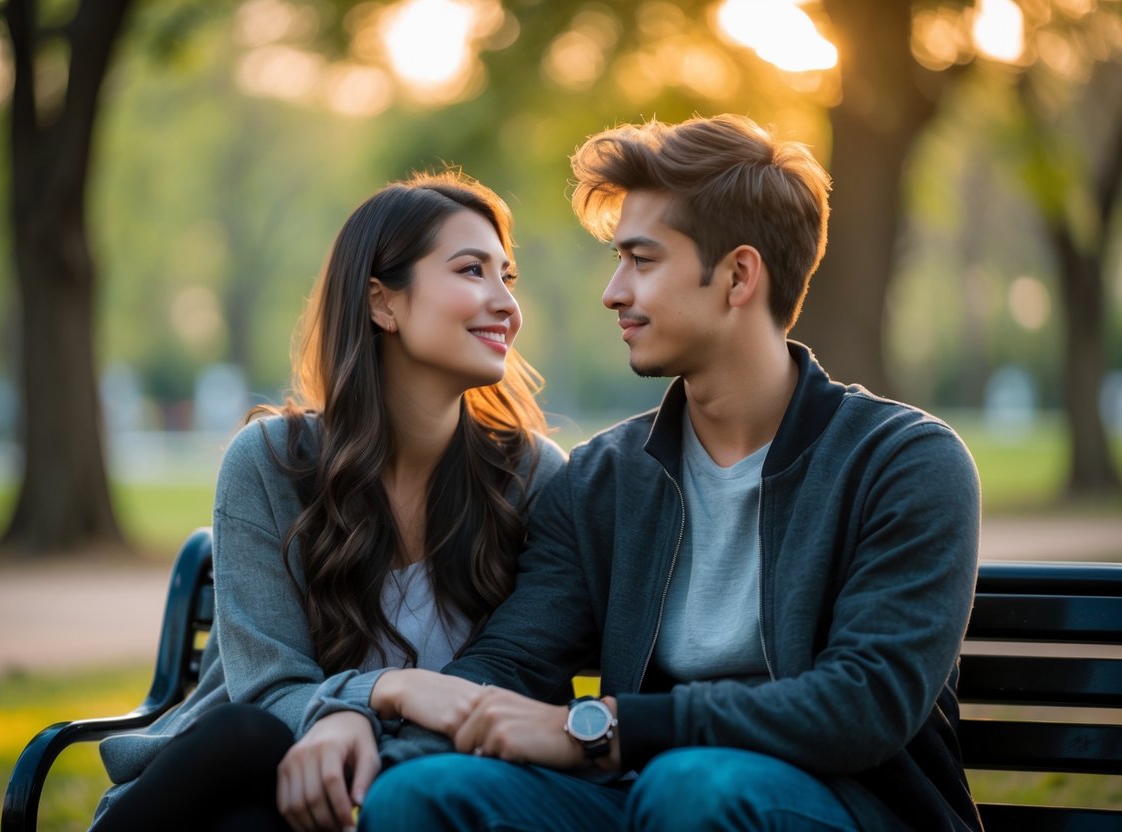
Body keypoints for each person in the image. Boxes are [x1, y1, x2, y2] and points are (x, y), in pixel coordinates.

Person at [356, 115, 983, 831]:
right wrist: (370, 719)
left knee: (693, 787)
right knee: (420, 795)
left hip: (846, 806)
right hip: (646, 794)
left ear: (738, 276)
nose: (613, 292)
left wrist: (606, 728)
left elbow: (862, 702)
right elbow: (514, 659)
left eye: (641, 260)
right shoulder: (603, 479)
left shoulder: (901, 462)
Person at [89, 171, 564, 831]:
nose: (505, 304)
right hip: (231, 779)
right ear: (382, 303)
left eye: (506, 278)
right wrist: (390, 689)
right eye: (470, 271)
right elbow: (264, 696)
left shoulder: (531, 476)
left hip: (413, 796)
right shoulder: (268, 463)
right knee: (252, 758)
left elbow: (527, 681)